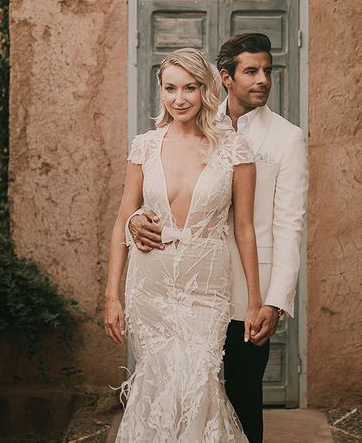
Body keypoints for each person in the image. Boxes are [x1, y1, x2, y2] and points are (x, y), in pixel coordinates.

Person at [128, 32, 308, 443]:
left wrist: (274, 301)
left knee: (243, 394)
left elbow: (288, 225)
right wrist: (136, 220)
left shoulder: (286, 138)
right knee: (183, 391)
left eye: (267, 70)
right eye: (251, 71)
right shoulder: (191, 121)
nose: (262, 79)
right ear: (225, 78)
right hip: (186, 286)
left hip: (249, 290)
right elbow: (159, 191)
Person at [104, 47, 261, 442]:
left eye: (190, 88)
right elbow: (124, 217)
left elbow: (244, 228)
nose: (179, 99)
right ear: (160, 90)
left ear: (205, 90)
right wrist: (112, 297)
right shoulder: (144, 146)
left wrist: (255, 299)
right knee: (156, 388)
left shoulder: (234, 149)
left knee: (198, 384)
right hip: (150, 288)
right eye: (170, 88)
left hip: (205, 292)